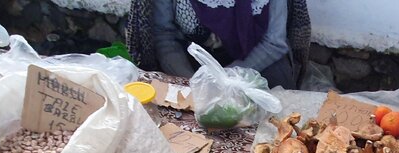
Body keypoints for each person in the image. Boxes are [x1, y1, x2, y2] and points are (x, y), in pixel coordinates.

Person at [125, 0, 311, 90]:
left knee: (273, 121)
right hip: (193, 60)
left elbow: (274, 42)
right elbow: (164, 35)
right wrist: (192, 82)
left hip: (258, 60)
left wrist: (225, 79)